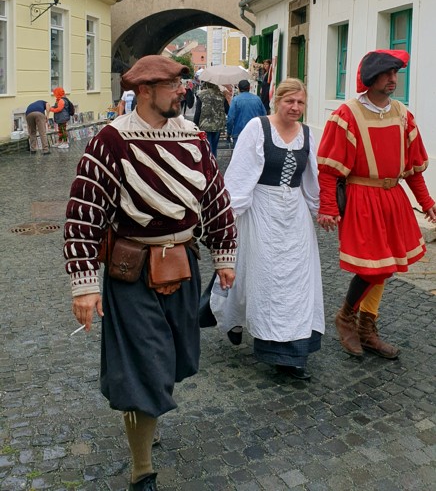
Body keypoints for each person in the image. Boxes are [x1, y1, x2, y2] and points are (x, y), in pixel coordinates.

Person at [64, 55, 237, 491]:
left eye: (181, 83)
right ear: (144, 91)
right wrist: (84, 285)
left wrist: (224, 255)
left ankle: (147, 415)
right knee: (143, 364)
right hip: (131, 272)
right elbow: (84, 213)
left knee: (172, 359)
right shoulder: (111, 141)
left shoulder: (193, 137)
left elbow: (215, 198)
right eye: (172, 85)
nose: (182, 91)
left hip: (181, 266)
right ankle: (142, 469)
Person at [317, 49, 436, 360]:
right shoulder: (347, 116)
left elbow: (413, 168)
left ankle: (367, 327)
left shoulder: (402, 114)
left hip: (392, 198)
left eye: (396, 73)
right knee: (374, 267)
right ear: (371, 77)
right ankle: (346, 316)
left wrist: (426, 202)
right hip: (362, 199)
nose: (394, 79)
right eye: (387, 74)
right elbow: (329, 170)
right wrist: (328, 206)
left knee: (386, 267)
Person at [211, 78, 324, 380]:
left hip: (295, 216)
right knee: (264, 278)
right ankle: (240, 321)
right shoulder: (258, 128)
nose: (295, 107)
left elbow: (312, 179)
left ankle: (292, 353)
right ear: (277, 101)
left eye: (300, 102)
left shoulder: (308, 135)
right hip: (262, 211)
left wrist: (321, 210)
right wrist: (229, 219)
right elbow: (240, 175)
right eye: (290, 101)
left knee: (298, 281)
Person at [226, 79, 266, 148]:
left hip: (239, 132)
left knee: (239, 153)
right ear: (249, 87)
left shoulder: (235, 100)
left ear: (239, 88)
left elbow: (231, 118)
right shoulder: (257, 99)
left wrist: (229, 132)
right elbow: (264, 115)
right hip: (254, 132)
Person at [193, 81, 228, 157]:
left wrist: (195, 125)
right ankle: (213, 160)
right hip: (218, 125)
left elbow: (198, 112)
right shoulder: (221, 95)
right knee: (214, 146)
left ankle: (209, 161)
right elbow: (227, 110)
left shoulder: (201, 95)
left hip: (205, 125)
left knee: (207, 146)